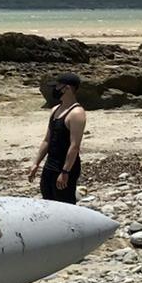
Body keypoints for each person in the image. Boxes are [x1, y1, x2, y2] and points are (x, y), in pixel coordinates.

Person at [28, 73, 87, 204]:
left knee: (65, 202)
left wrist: (65, 171)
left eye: (58, 86)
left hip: (65, 167)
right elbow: (47, 140)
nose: (55, 90)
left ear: (67, 88)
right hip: (50, 164)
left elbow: (74, 146)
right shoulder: (55, 109)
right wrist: (36, 163)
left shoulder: (77, 113)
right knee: (47, 199)